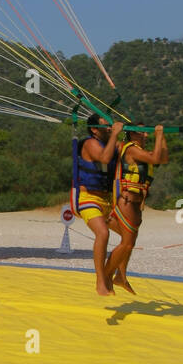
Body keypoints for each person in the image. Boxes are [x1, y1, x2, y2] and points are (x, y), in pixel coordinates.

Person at [105, 126, 168, 294]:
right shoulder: (131, 150)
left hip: (136, 203)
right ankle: (105, 276)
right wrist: (159, 134)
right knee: (127, 242)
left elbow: (163, 158)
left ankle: (120, 277)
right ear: (133, 133)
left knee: (129, 243)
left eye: (147, 132)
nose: (147, 135)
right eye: (143, 132)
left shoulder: (141, 152)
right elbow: (155, 158)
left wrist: (163, 138)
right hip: (126, 200)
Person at [72, 116, 122, 297]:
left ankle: (114, 276)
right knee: (103, 233)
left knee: (127, 237)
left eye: (110, 125)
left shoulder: (112, 144)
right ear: (94, 130)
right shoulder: (90, 144)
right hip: (88, 199)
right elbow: (104, 158)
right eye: (105, 126)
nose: (109, 128)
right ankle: (100, 282)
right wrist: (116, 133)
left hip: (107, 200)